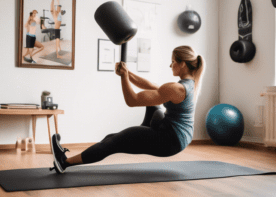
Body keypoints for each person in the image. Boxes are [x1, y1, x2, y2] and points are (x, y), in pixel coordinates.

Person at [50, 45, 206, 174]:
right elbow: (154, 87)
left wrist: (124, 77)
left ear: (183, 64)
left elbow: (132, 100)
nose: (170, 65)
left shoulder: (176, 88)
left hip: (170, 140)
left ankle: (64, 162)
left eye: (173, 62)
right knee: (111, 136)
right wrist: (127, 73)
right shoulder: (189, 84)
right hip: (178, 135)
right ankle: (143, 131)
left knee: (114, 141)